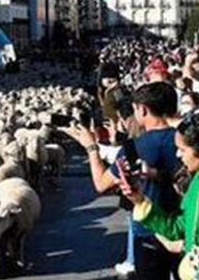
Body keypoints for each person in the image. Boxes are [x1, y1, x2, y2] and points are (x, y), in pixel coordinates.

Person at [66, 82, 182, 280]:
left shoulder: (134, 148)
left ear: (143, 110)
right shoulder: (186, 142)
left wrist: (91, 148)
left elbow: (102, 184)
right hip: (183, 225)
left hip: (148, 229)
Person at [120, 112, 199, 280]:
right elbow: (178, 228)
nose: (178, 155)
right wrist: (139, 200)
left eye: (182, 150)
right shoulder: (198, 181)